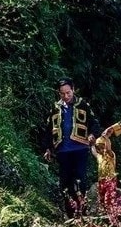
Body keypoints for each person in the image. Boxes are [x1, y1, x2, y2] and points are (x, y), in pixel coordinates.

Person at [41, 77, 100, 218]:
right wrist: (48, 148)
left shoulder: (83, 105)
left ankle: (83, 211)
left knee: (80, 179)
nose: (66, 96)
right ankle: (71, 213)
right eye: (62, 93)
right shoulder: (55, 108)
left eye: (68, 92)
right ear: (58, 93)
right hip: (62, 151)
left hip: (80, 149)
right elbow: (48, 130)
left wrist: (92, 134)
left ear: (73, 90)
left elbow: (94, 123)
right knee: (65, 182)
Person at [91, 135, 118, 217]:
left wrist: (106, 139)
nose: (101, 150)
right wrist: (92, 145)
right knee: (101, 197)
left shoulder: (110, 155)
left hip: (110, 179)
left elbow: (108, 149)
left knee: (109, 197)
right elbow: (94, 152)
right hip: (101, 180)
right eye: (98, 148)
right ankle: (104, 212)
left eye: (102, 147)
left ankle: (111, 212)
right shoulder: (99, 156)